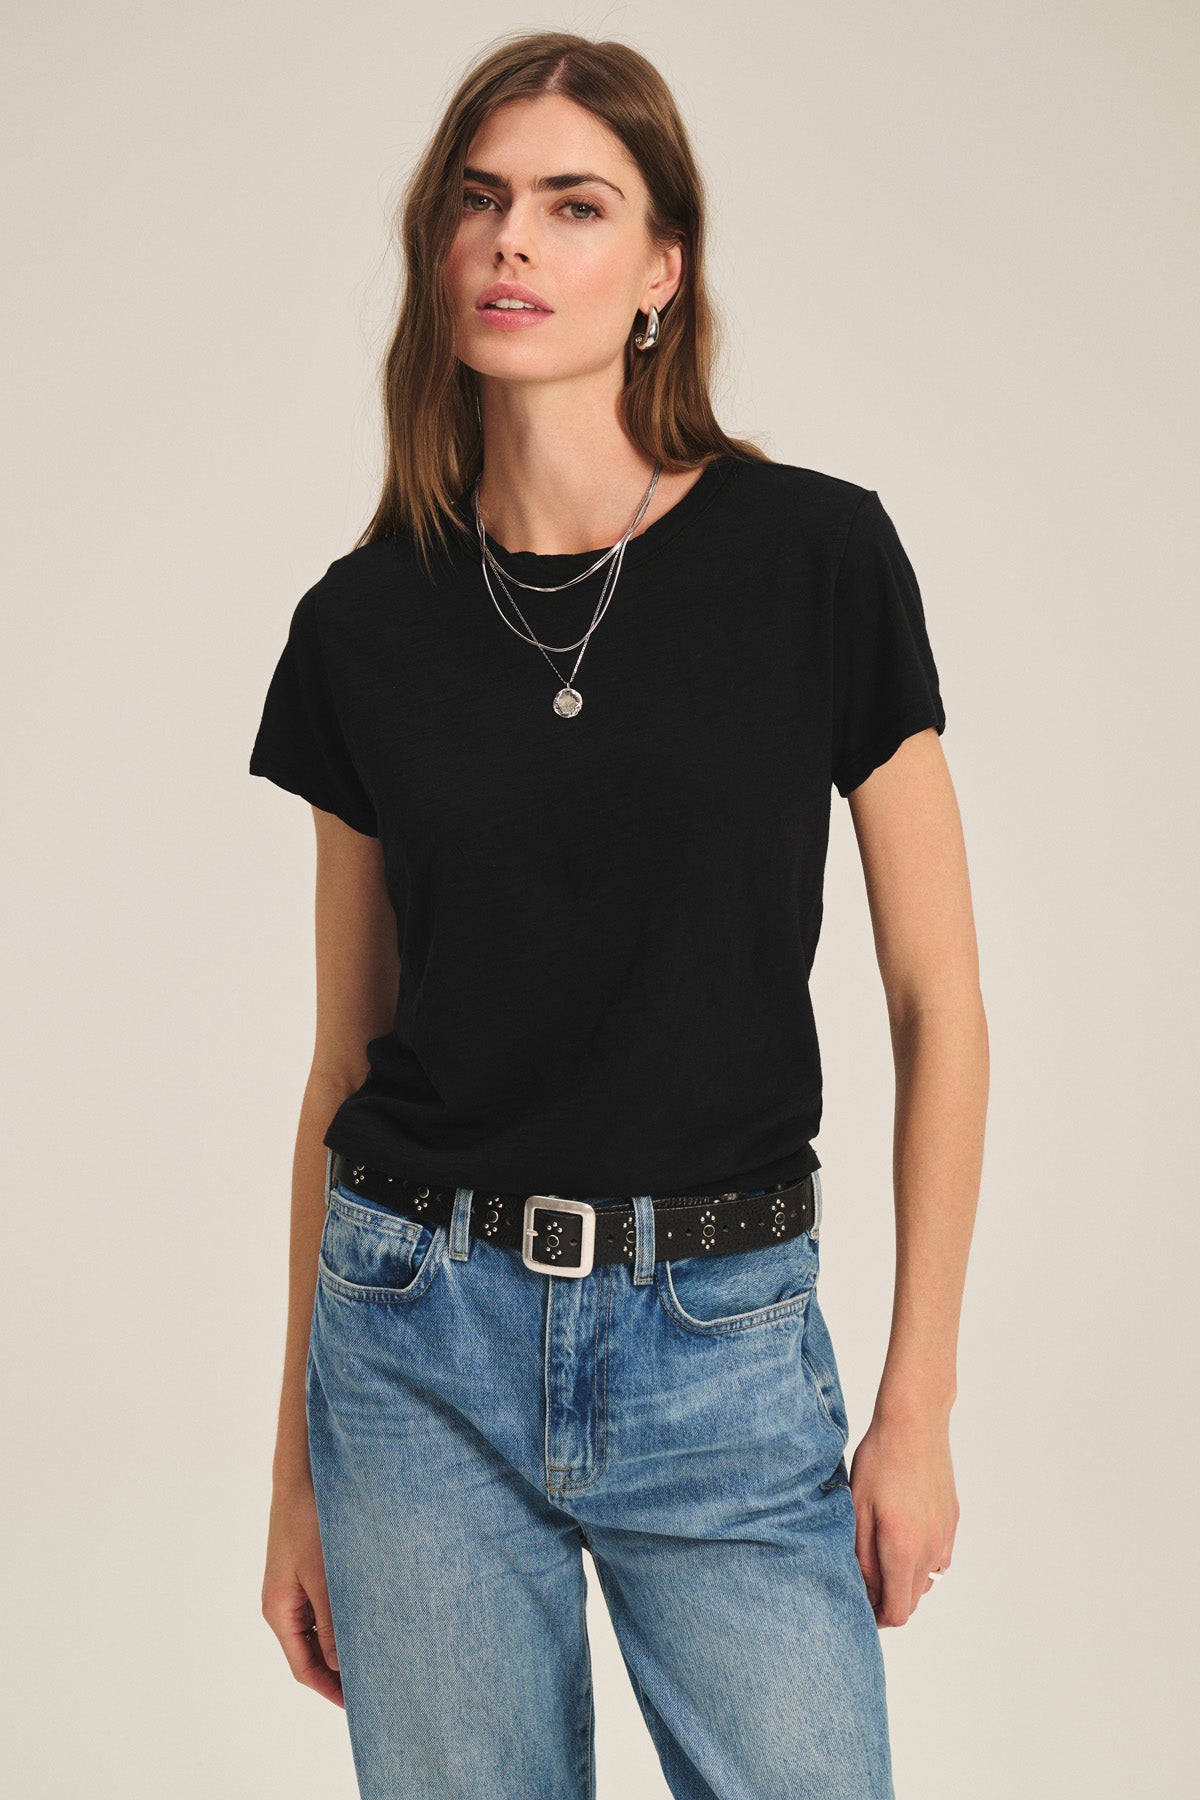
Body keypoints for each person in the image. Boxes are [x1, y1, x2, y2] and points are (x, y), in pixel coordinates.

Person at [250, 29, 987, 1800]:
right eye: (481, 205)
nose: (516, 243)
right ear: (441, 259)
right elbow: (346, 1054)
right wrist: (295, 1465)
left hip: (723, 1347)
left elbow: (937, 1003)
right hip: (411, 1337)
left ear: (660, 270)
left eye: (574, 207)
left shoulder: (816, 559)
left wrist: (916, 1408)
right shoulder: (364, 622)